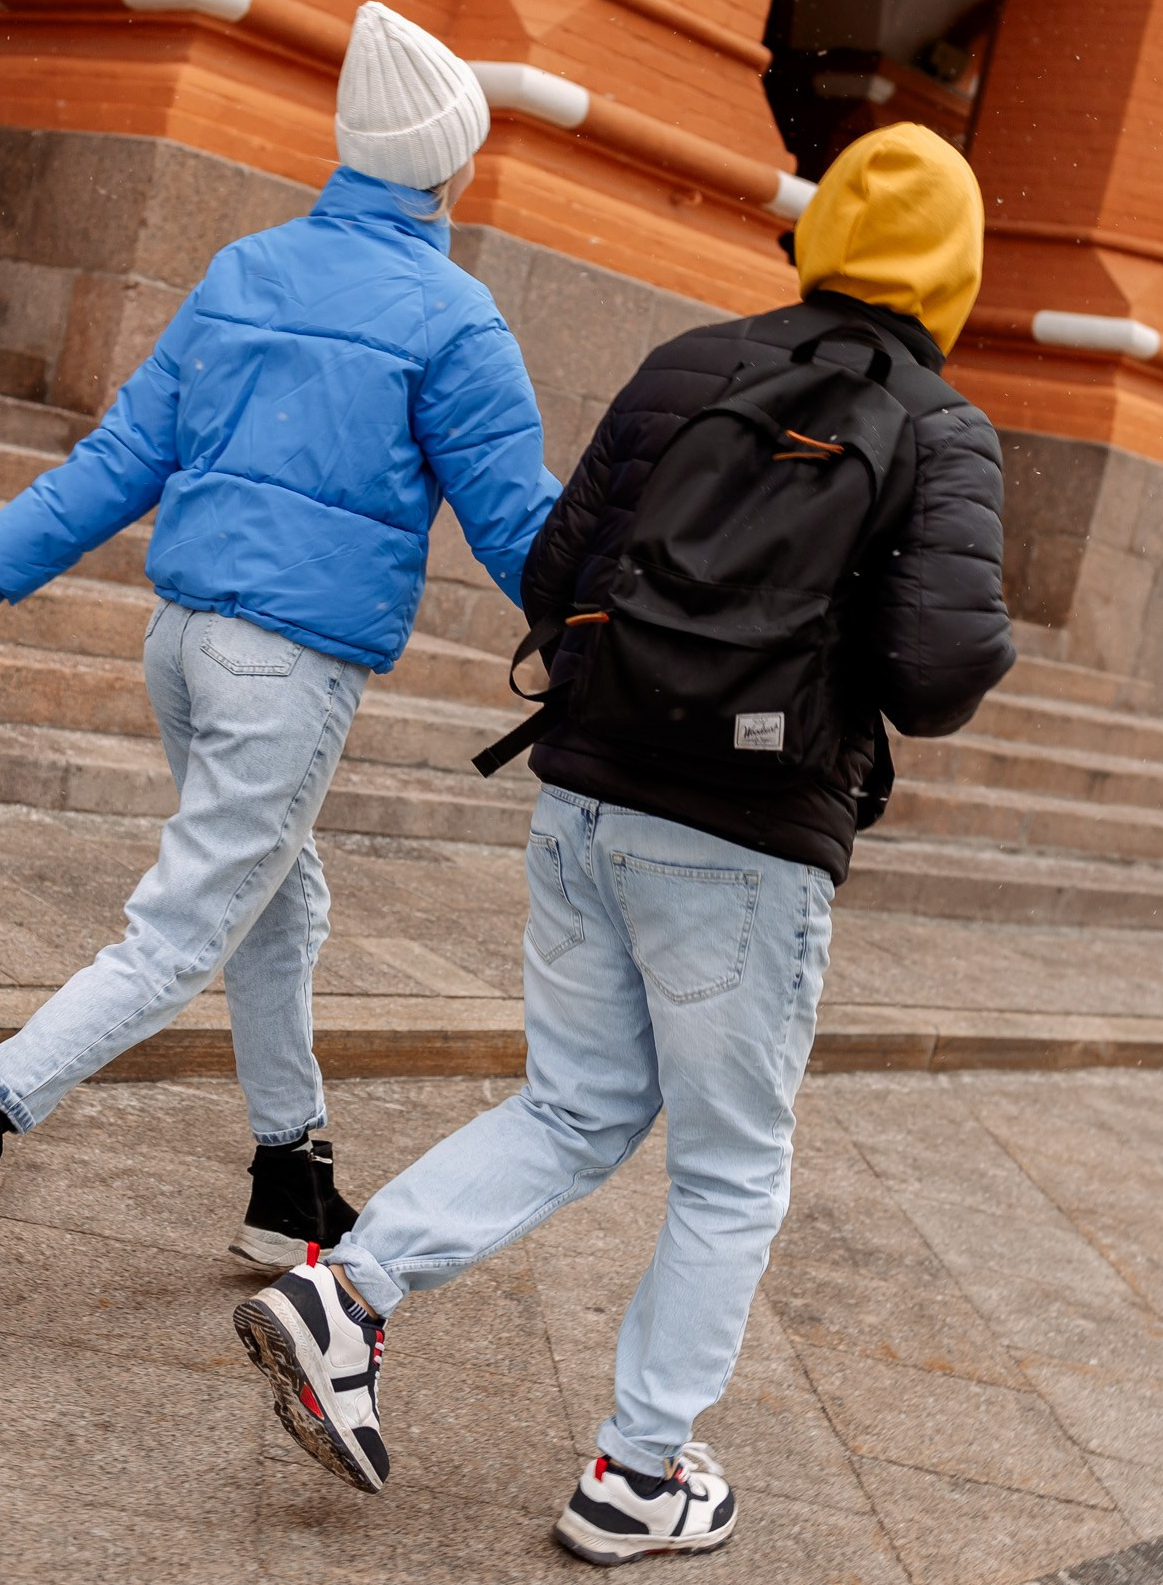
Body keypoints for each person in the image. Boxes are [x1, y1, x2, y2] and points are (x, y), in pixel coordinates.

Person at [233, 122, 1016, 1566]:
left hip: (589, 794)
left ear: (822, 233)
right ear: (954, 273)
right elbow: (941, 673)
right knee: (730, 1171)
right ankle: (637, 1474)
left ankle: (348, 1295)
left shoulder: (690, 364)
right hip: (747, 838)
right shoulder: (944, 429)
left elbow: (553, 564)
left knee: (574, 1107)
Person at [0, 1, 559, 1300]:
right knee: (178, 938)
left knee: (283, 902)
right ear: (452, 162)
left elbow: (126, 454)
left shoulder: (245, 268)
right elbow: (522, 534)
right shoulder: (457, 321)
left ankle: (292, 1183)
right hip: (287, 665)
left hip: (181, 642)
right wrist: (628, 623)